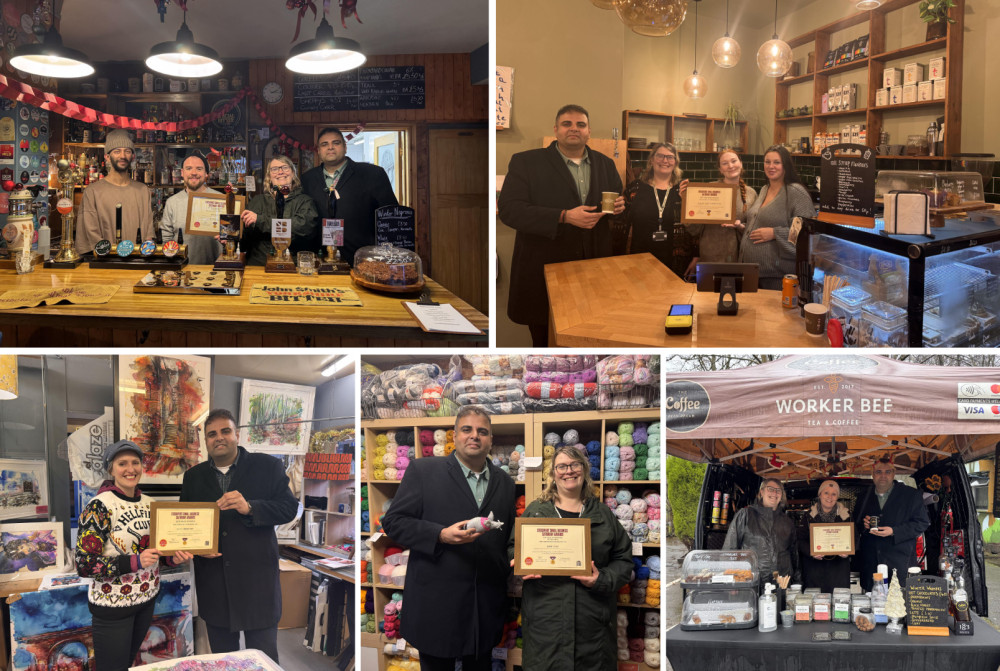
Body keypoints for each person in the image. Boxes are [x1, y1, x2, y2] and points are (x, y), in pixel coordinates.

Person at [381, 407, 515, 671]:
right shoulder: (424, 471)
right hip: (437, 602)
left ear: (490, 439)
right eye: (467, 429)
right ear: (454, 435)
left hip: (484, 604)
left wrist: (512, 560)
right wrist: (439, 535)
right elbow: (393, 523)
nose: (474, 436)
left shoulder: (505, 482)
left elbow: (505, 535)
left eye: (482, 431)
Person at [497, 104, 625, 347]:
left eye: (581, 125)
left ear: (589, 132)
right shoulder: (527, 162)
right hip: (544, 269)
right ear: (556, 130)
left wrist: (618, 209)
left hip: (593, 270)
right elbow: (510, 211)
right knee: (545, 344)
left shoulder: (605, 164)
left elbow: (614, 206)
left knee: (592, 340)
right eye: (567, 124)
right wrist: (563, 216)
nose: (574, 129)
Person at [179, 409, 299, 663]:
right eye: (211, 434)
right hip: (214, 585)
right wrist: (194, 547)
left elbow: (289, 508)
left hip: (258, 585)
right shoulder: (193, 477)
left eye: (225, 431)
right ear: (206, 441)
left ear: (237, 434)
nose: (218, 438)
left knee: (264, 659)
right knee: (224, 661)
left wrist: (251, 508)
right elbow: (184, 525)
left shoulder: (267, 466)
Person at [512, 446, 633, 671]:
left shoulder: (602, 514)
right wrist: (519, 562)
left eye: (575, 465)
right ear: (553, 473)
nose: (569, 471)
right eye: (562, 466)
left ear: (584, 470)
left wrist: (601, 578)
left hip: (592, 624)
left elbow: (624, 559)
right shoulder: (536, 511)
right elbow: (513, 547)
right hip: (546, 623)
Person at [76, 439, 193, 671]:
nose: (130, 469)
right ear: (111, 469)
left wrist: (173, 558)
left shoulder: (151, 504)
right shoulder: (99, 506)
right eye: (122, 463)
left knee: (127, 663)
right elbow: (85, 564)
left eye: (135, 462)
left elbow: (158, 552)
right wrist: (135, 561)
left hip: (145, 599)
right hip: (113, 606)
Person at [301, 127, 399, 266]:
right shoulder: (307, 179)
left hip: (362, 260)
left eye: (336, 143)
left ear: (345, 147)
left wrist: (387, 259)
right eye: (324, 144)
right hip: (318, 261)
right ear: (318, 151)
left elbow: (390, 217)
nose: (330, 147)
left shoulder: (372, 174)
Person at [734, 145, 815, 289]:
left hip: (776, 278)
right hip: (752, 273)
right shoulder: (765, 189)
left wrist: (774, 233)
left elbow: (805, 234)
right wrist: (744, 228)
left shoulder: (796, 193)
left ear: (785, 165)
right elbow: (759, 225)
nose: (771, 166)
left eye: (776, 162)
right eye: (767, 162)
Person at [856, 455, 930, 592]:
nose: (883, 476)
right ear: (872, 474)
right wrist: (864, 525)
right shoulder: (863, 496)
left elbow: (922, 523)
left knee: (899, 608)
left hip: (900, 563)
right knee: (873, 606)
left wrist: (894, 531)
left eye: (887, 472)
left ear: (894, 474)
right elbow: (856, 525)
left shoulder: (911, 495)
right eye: (878, 472)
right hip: (871, 563)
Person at [622, 142, 695, 278]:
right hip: (639, 259)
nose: (665, 161)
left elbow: (695, 227)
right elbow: (621, 221)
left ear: (675, 162)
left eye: (670, 157)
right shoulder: (635, 188)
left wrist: (697, 256)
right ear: (651, 160)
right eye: (660, 156)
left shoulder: (684, 190)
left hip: (675, 260)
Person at [76, 129, 155, 255]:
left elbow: (148, 234)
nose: (122, 156)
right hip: (105, 264)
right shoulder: (93, 192)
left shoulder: (142, 191)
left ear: (133, 156)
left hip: (137, 262)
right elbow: (90, 234)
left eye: (127, 151)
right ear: (107, 157)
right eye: (117, 151)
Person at [239, 155, 319, 266]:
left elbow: (303, 228)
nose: (280, 172)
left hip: (294, 266)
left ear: (293, 173)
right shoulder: (258, 201)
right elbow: (245, 239)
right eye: (275, 169)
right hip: (259, 266)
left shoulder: (305, 201)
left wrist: (261, 220)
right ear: (269, 176)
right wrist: (230, 236)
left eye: (285, 167)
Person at [723, 477, 798, 589]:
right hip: (751, 582)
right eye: (770, 489)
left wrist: (797, 583)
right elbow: (730, 550)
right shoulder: (746, 515)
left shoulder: (787, 522)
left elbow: (794, 555)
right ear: (761, 492)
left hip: (781, 584)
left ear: (781, 496)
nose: (774, 493)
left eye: (778, 491)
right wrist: (731, 581)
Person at [686, 149, 757, 264]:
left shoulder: (751, 194)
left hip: (741, 257)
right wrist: (688, 203)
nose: (730, 166)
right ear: (720, 169)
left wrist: (740, 226)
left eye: (734, 161)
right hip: (711, 256)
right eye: (725, 163)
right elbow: (693, 229)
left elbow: (754, 228)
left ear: (741, 163)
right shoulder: (708, 190)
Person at [160, 154, 223, 265]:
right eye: (189, 168)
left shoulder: (221, 200)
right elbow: (166, 239)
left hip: (216, 270)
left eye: (199, 169)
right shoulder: (172, 202)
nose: (194, 173)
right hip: (181, 270)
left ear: (206, 174)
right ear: (182, 173)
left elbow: (231, 237)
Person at [797, 479, 851, 593]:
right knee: (816, 606)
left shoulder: (847, 516)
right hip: (814, 572)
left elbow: (855, 539)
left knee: (839, 606)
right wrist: (811, 552)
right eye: (826, 493)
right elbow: (800, 540)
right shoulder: (807, 516)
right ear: (820, 494)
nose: (829, 497)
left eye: (834, 494)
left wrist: (848, 551)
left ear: (837, 497)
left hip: (838, 572)